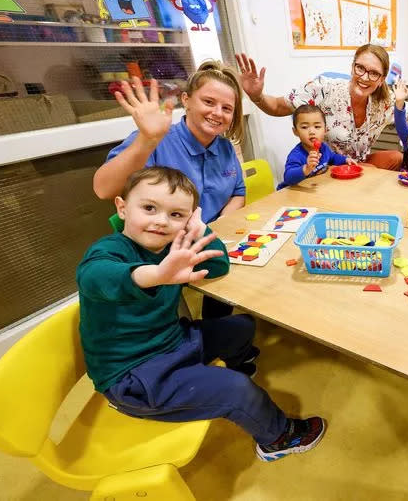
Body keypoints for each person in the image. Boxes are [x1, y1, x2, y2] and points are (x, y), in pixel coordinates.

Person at [78, 167, 326, 462]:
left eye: (176, 215)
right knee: (238, 390)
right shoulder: (109, 250)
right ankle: (277, 439)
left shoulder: (174, 246)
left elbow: (218, 266)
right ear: (122, 208)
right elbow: (96, 276)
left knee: (242, 326)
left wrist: (200, 230)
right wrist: (156, 274)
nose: (160, 221)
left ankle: (234, 368)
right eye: (149, 208)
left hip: (172, 342)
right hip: (133, 376)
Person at [93, 60, 247, 319]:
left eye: (226, 108)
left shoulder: (224, 147)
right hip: (160, 250)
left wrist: (218, 224)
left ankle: (221, 332)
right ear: (186, 100)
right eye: (208, 102)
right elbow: (103, 189)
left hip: (207, 239)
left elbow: (238, 192)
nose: (217, 113)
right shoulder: (157, 139)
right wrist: (147, 140)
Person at [235, 45, 408, 170]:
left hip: (358, 165)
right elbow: (279, 106)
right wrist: (257, 96)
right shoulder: (324, 88)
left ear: (383, 78)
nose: (365, 77)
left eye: (374, 73)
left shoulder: (385, 101)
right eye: (360, 68)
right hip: (326, 165)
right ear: (352, 66)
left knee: (396, 157)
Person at [277, 104, 356, 189]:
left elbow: (332, 157)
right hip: (292, 193)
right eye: (304, 127)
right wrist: (306, 169)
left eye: (317, 126)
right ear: (295, 131)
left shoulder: (324, 148)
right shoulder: (296, 155)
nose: (312, 131)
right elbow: (288, 177)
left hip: (315, 189)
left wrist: (345, 160)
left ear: (325, 130)